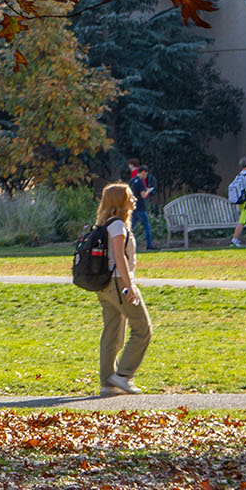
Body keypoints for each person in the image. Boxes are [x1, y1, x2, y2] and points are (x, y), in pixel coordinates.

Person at [92, 183, 152, 396]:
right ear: (119, 201)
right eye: (130, 197)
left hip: (106, 285)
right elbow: (120, 258)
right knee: (143, 329)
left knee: (112, 333)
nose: (134, 199)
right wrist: (129, 286)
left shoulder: (108, 224)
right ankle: (123, 375)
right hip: (119, 283)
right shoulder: (117, 226)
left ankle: (108, 383)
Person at [125, 160, 158, 250]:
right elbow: (143, 195)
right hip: (140, 207)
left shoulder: (132, 180)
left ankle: (125, 243)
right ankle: (149, 245)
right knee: (147, 226)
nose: (145, 177)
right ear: (143, 172)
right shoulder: (140, 181)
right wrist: (148, 190)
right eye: (145, 174)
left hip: (133, 207)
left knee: (130, 227)